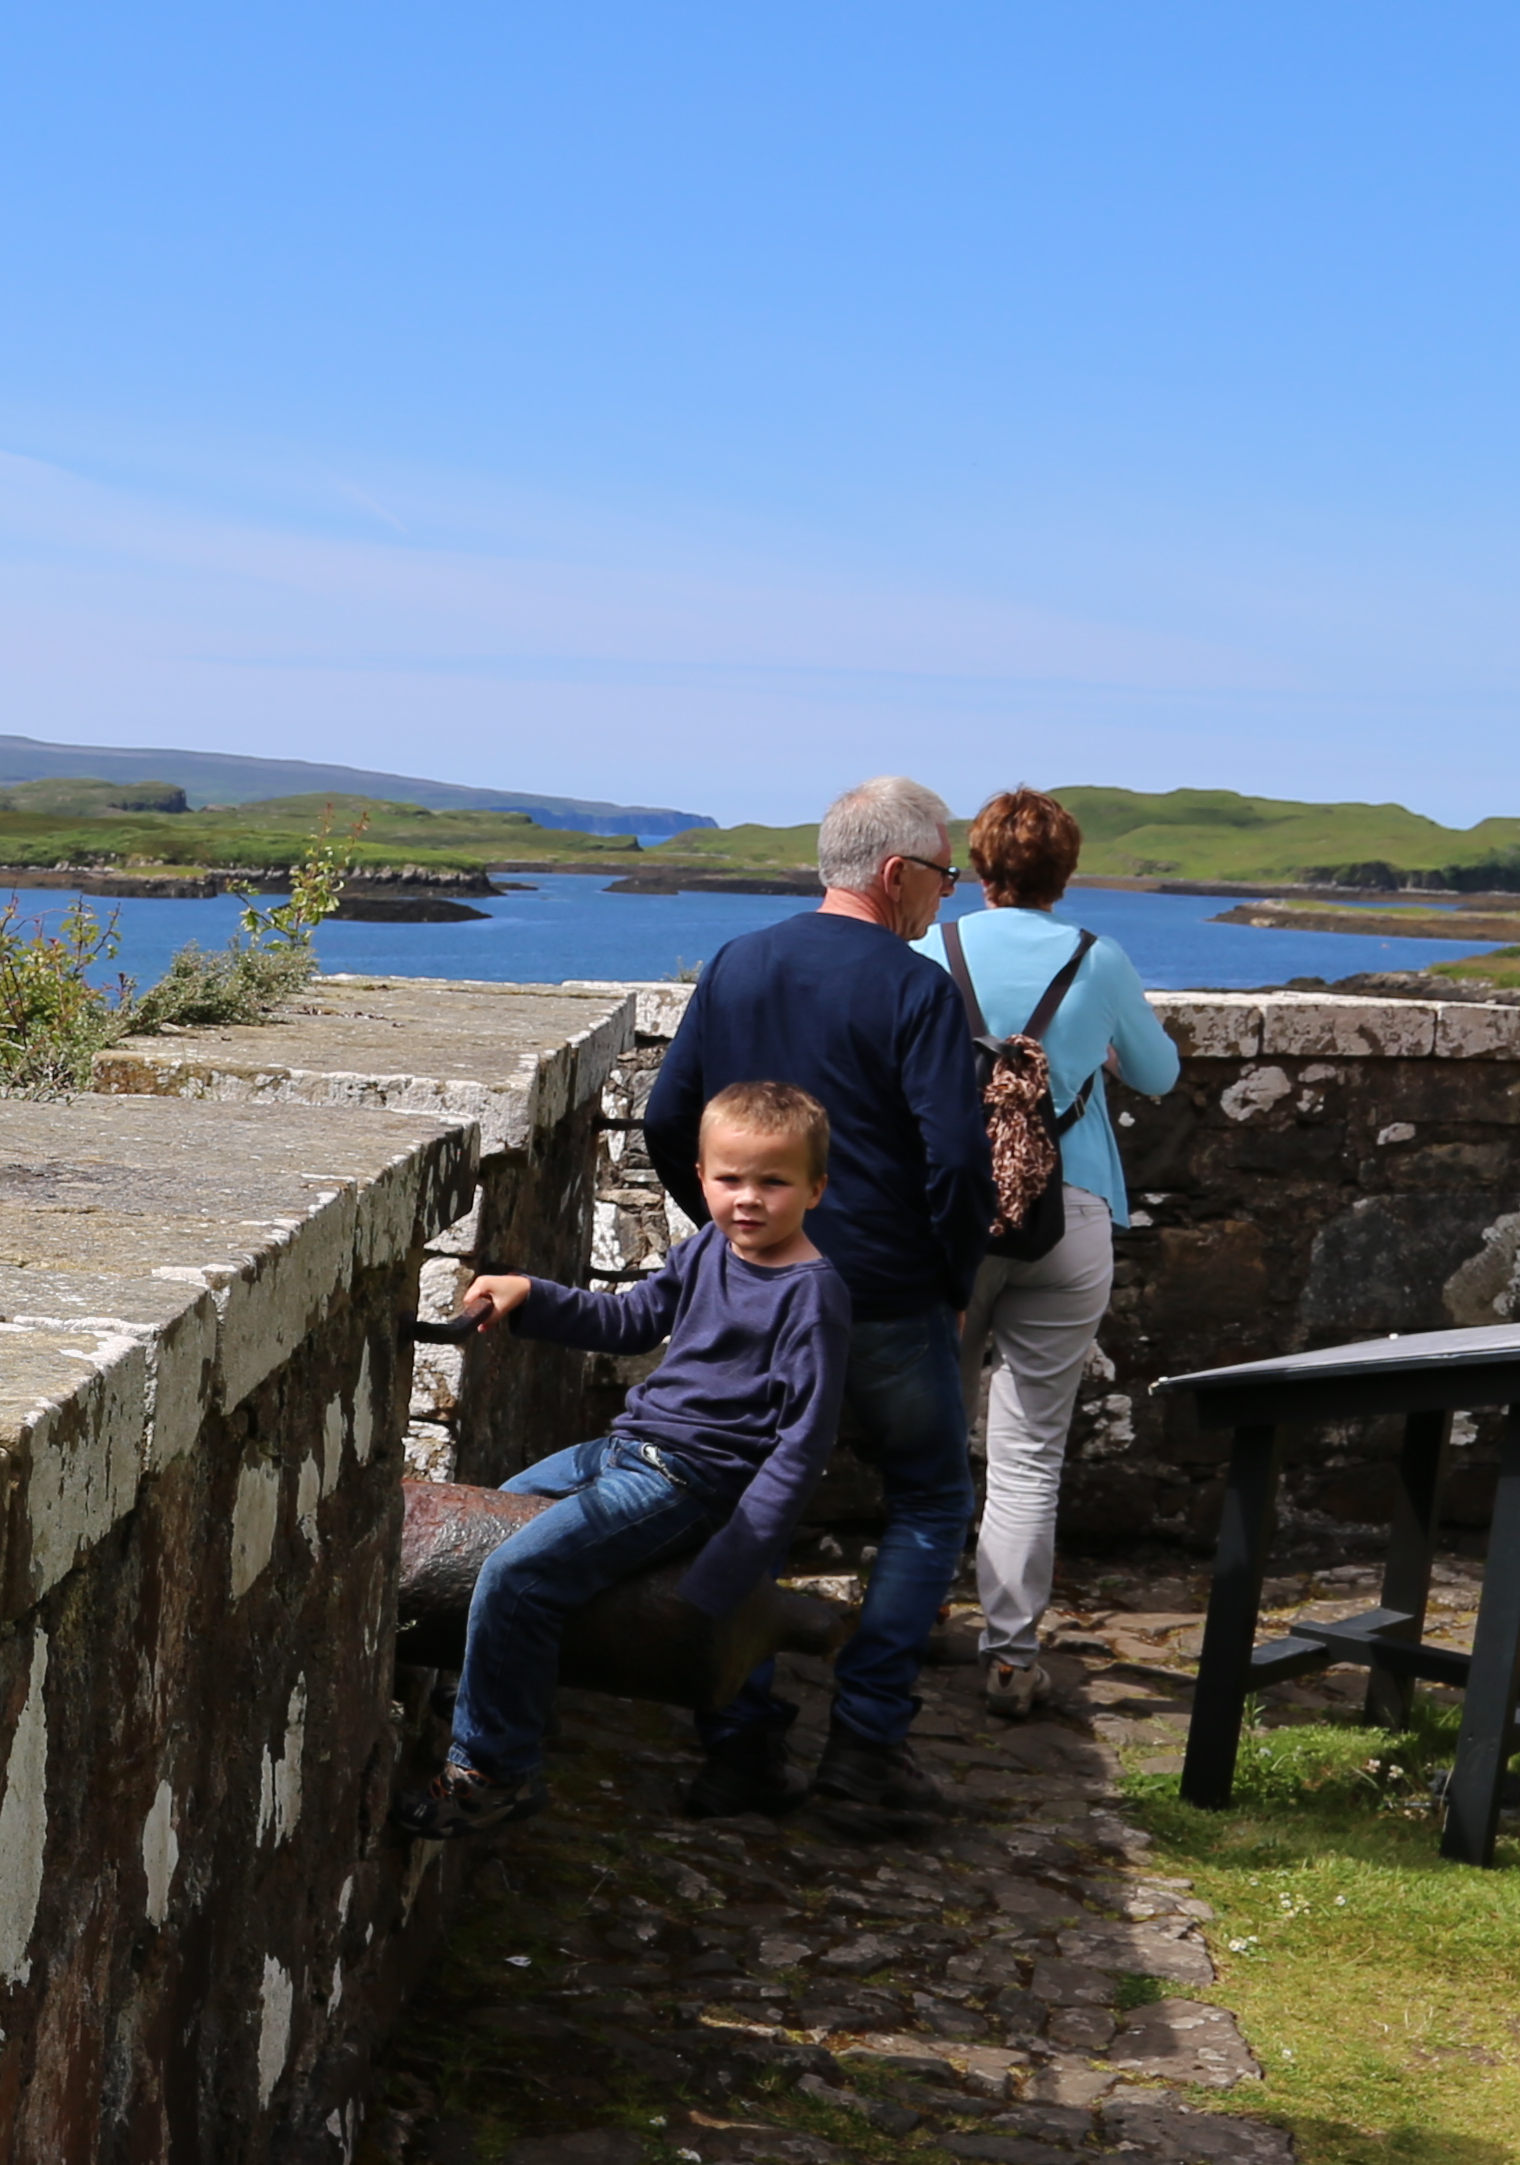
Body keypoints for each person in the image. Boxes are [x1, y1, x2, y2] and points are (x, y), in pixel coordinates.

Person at [639, 775, 986, 1828]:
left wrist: (731, 1242)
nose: (948, 896)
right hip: (882, 1295)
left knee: (738, 1511)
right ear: (895, 874)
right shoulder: (916, 988)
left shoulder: (742, 962)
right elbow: (958, 1164)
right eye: (943, 875)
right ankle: (866, 1746)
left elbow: (668, 1119)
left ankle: (739, 1747)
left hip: (759, 1293)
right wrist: (953, 1282)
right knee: (927, 1502)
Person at [424, 1081, 854, 1837]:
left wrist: (735, 1565)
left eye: (773, 1182)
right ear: (700, 1178)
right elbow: (630, 1322)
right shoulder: (706, 1251)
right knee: (487, 1525)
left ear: (816, 1189)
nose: (747, 1200)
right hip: (622, 1450)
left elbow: (803, 1441)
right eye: (729, 1180)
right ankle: (510, 1704)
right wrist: (533, 1295)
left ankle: (495, 1769)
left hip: (688, 1481)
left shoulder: (811, 1295)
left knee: (517, 1572)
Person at [937, 789, 1183, 1718]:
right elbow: (1158, 1074)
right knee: (1030, 1449)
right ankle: (1009, 1654)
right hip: (1069, 1213)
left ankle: (914, 1613)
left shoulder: (933, 949)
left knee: (934, 1426)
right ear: (1065, 873)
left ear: (979, 864)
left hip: (951, 1221)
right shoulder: (1098, 957)